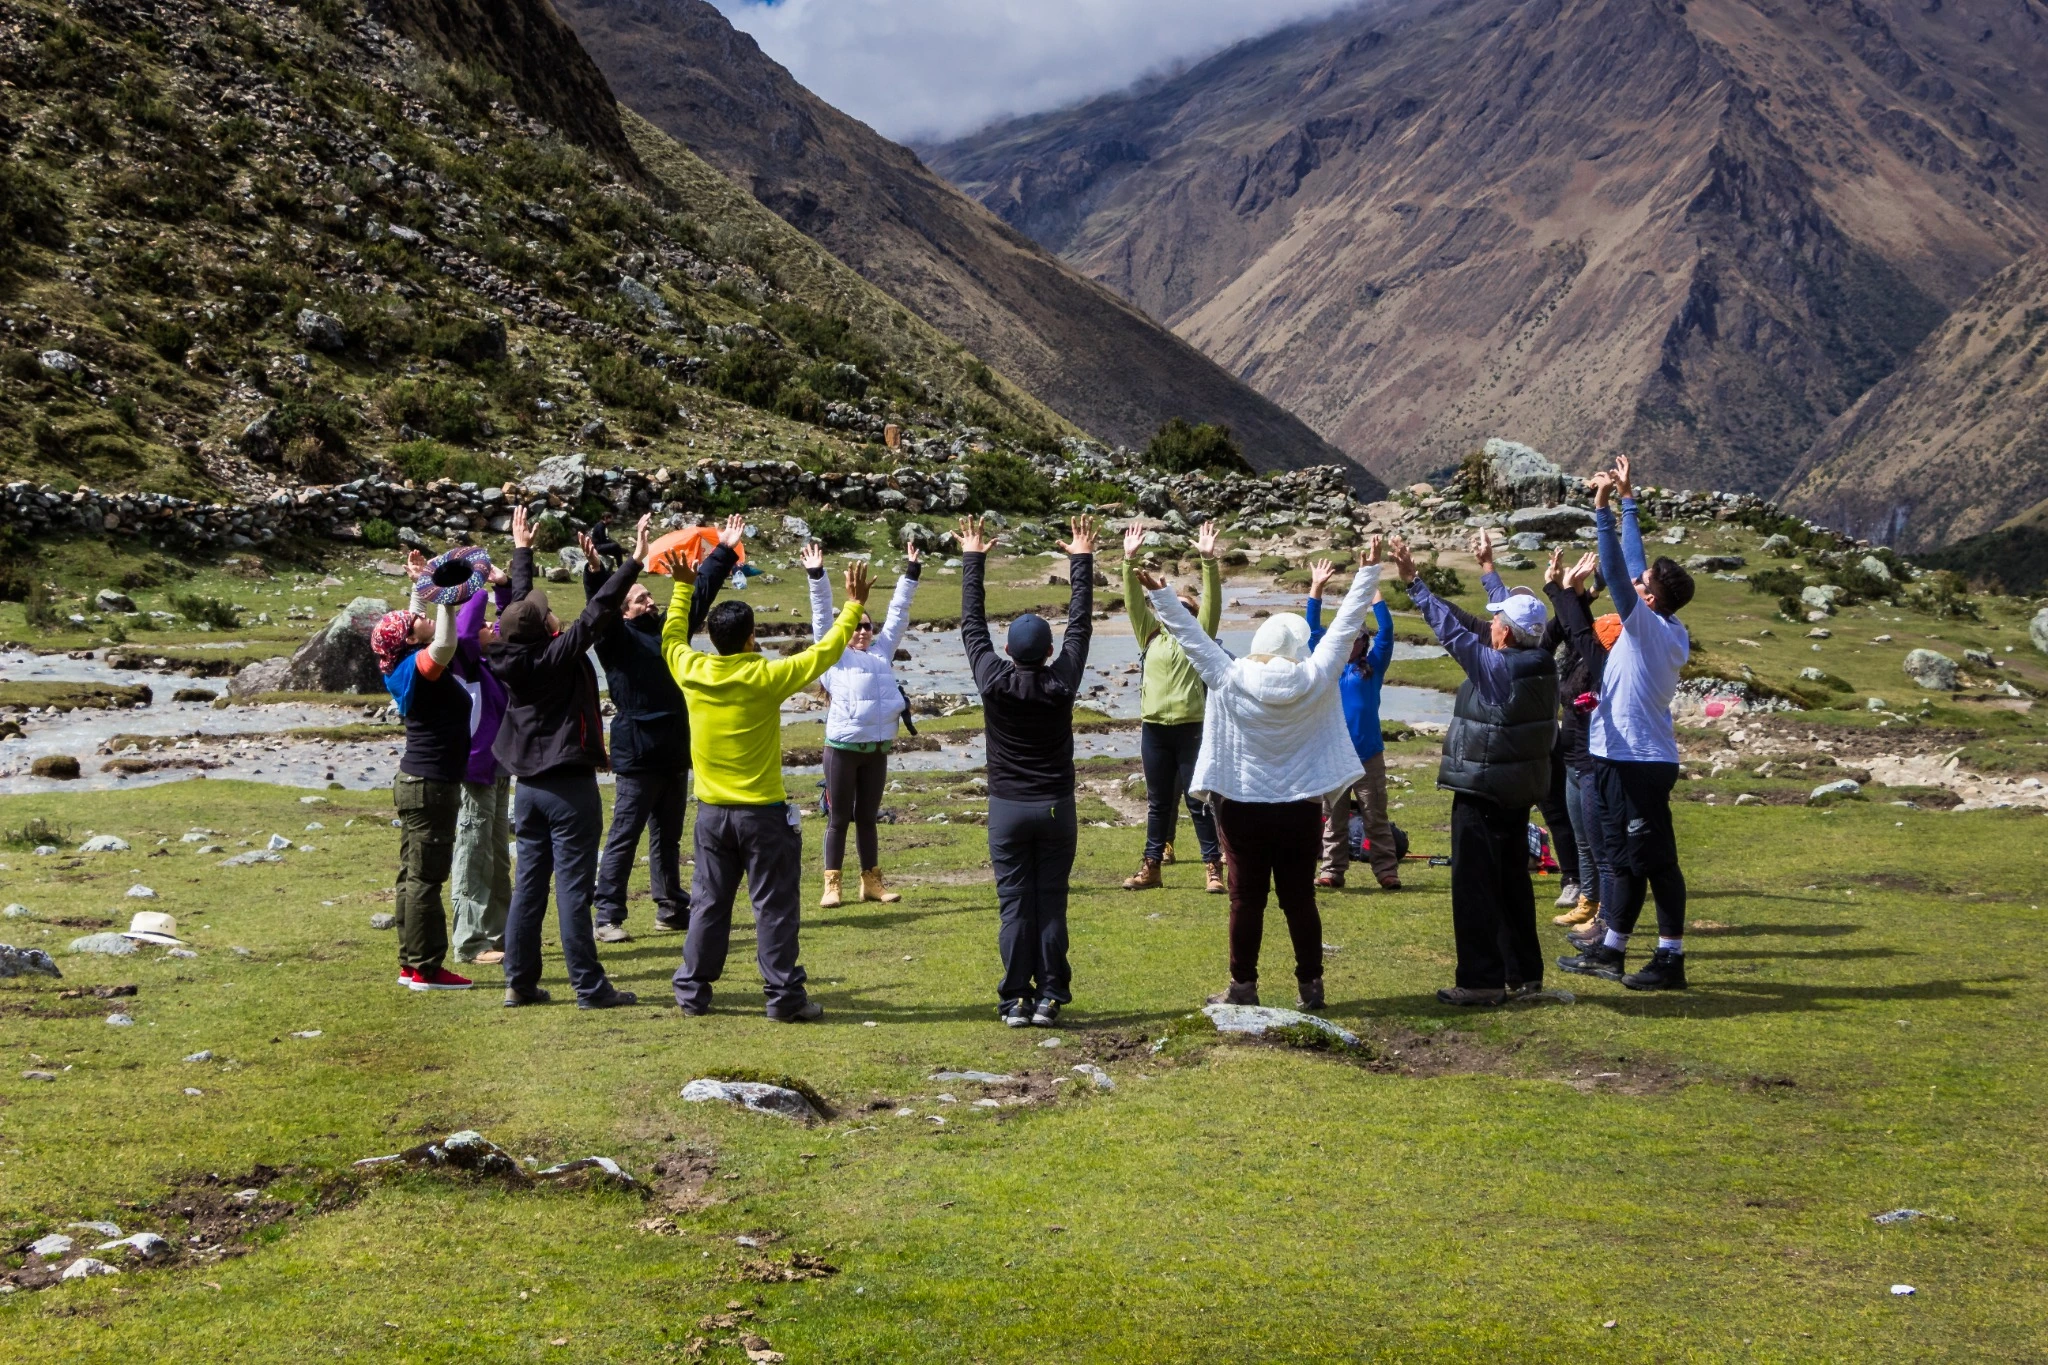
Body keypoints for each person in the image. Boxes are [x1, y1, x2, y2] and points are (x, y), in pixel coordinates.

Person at [1141, 541, 1382, 1011]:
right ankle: (1311, 987)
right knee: (1299, 902)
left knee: (1245, 901)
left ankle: (1243, 987)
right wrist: (1367, 572)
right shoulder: (1316, 675)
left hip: (1242, 809)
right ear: (1297, 646)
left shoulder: (1229, 676)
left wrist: (1163, 594)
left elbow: (1190, 637)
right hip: (1299, 810)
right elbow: (1348, 624)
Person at [662, 543, 869, 1021]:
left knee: (708, 905)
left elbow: (672, 638)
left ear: (711, 638)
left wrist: (681, 588)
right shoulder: (769, 677)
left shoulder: (691, 670)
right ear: (753, 637)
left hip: (712, 814)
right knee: (774, 907)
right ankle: (783, 998)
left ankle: (693, 991)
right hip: (762, 815)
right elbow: (824, 653)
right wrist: (853, 606)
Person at [488, 507, 649, 1010]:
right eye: (545, 607)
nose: (548, 606)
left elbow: (518, 608)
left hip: (528, 790)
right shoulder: (558, 654)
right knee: (574, 891)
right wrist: (633, 563)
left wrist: (522, 552)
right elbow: (599, 610)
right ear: (545, 629)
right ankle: (589, 986)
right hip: (569, 788)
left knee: (529, 888)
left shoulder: (513, 654)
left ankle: (520, 982)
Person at [1388, 535, 1558, 1007]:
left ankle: (1481, 980)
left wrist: (1414, 584)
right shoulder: (1539, 660)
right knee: (1511, 883)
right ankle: (1523, 974)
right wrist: (1489, 571)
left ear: (1503, 634)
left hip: (1482, 790)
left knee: (1474, 886)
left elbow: (1453, 632)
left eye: (1496, 621)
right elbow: (1491, 623)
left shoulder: (1496, 668)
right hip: (1515, 791)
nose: (1491, 624)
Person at [1559, 457, 1695, 991]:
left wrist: (1600, 510)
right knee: (1627, 859)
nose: (1636, 585)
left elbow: (1618, 571)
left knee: (1657, 862)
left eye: (1644, 586)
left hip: (1638, 762)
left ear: (1649, 599)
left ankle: (1670, 958)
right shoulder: (1666, 625)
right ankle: (1612, 948)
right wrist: (1629, 499)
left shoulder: (1644, 630)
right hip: (1624, 757)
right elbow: (1636, 566)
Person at [959, 514, 1096, 1028]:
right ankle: (1050, 997)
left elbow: (972, 626)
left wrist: (974, 558)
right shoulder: (1063, 680)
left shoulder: (993, 680)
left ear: (1009, 651)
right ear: (1047, 652)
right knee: (1051, 903)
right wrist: (1080, 560)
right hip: (1057, 807)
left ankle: (1015, 998)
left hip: (1008, 809)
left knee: (1014, 904)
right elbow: (1080, 625)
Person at [586, 515, 741, 943]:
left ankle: (670, 907)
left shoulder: (668, 632)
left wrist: (724, 551)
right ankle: (607, 915)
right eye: (639, 600)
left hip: (674, 749)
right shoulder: (613, 639)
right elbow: (599, 604)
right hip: (637, 754)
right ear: (622, 610)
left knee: (668, 837)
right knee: (624, 834)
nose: (649, 603)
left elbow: (699, 592)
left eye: (649, 596)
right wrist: (601, 572)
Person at [806, 533, 923, 908]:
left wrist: (912, 572)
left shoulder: (881, 652)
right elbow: (823, 615)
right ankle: (831, 885)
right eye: (856, 626)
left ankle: (872, 882)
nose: (861, 631)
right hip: (842, 749)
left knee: (868, 818)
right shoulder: (832, 654)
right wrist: (817, 575)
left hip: (877, 749)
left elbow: (900, 613)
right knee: (839, 819)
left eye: (867, 626)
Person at [1473, 533, 1579, 912]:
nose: (1496, 618)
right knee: (1523, 812)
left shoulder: (1539, 646)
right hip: (1518, 743)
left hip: (1541, 744)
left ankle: (1574, 878)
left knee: (1556, 812)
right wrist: (1488, 566)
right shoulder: (1505, 640)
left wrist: (1570, 592)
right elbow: (1501, 604)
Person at [1118, 519, 1225, 894]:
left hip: (1192, 728)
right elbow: (1133, 599)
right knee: (1158, 804)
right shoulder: (1150, 635)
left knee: (1199, 803)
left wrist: (1208, 561)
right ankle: (1151, 867)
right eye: (1171, 606)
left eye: (1186, 607)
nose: (1178, 611)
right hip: (1154, 731)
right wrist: (1128, 561)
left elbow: (1212, 603)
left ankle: (1213, 869)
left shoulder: (1200, 639)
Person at [372, 594, 471, 991]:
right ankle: (427, 969)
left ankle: (409, 964)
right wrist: (446, 602)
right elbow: (445, 643)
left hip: (416, 782)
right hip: (432, 786)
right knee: (426, 880)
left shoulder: (399, 664)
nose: (424, 617)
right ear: (411, 640)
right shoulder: (418, 667)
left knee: (410, 877)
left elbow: (413, 630)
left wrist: (422, 585)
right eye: (418, 619)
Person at [1304, 554, 1401, 890]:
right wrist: (1316, 587)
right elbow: (1312, 630)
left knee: (1375, 816)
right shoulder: (1327, 666)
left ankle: (1386, 870)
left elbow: (1387, 630)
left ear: (1362, 642)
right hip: (1334, 754)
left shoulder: (1372, 666)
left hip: (1368, 755)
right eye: (1341, 639)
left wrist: (1372, 588)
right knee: (1333, 818)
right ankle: (1332, 870)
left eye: (1352, 639)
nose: (1345, 644)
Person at [1543, 550, 1612, 930]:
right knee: (1583, 839)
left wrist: (1567, 589)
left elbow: (1579, 630)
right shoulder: (1581, 664)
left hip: (1590, 764)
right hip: (1571, 761)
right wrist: (1561, 589)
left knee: (1598, 844)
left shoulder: (1602, 671)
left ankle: (1604, 911)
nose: (1587, 638)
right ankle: (1587, 900)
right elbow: (1573, 628)